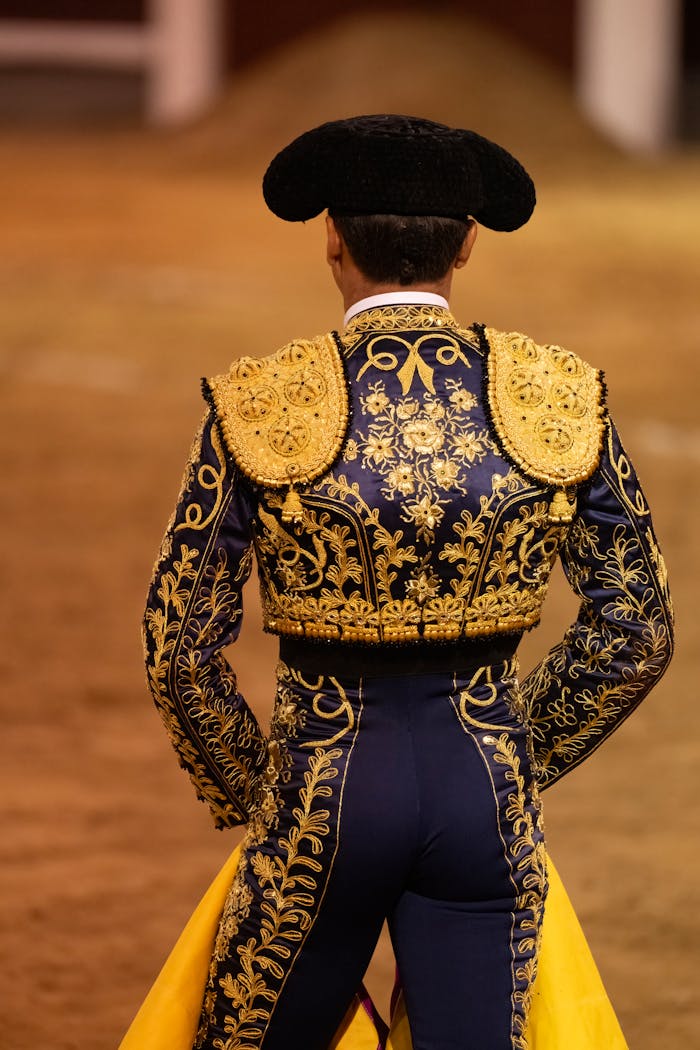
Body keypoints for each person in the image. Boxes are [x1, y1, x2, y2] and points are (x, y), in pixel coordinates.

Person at [139, 115, 673, 1050]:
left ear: (333, 238)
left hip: (322, 789)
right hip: (480, 792)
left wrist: (260, 786)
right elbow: (638, 630)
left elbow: (179, 644)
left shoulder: (261, 402)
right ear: (469, 241)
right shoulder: (554, 395)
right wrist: (510, 758)